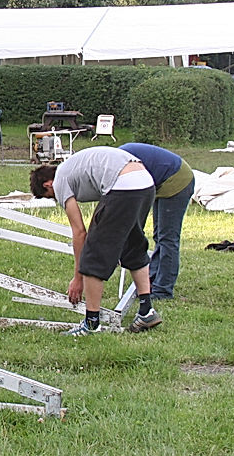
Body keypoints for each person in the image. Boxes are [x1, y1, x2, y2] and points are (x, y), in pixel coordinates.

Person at [29, 146, 163, 336]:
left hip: (123, 185)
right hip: (145, 182)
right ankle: (146, 311)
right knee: (132, 246)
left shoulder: (59, 181)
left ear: (47, 185)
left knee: (94, 254)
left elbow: (79, 232)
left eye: (51, 197)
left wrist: (78, 278)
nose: (56, 199)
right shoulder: (72, 167)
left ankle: (91, 324)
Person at [119, 143, 195, 300]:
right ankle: (152, 279)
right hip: (161, 180)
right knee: (159, 235)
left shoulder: (121, 163)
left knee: (168, 238)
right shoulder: (116, 159)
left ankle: (163, 290)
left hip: (177, 180)